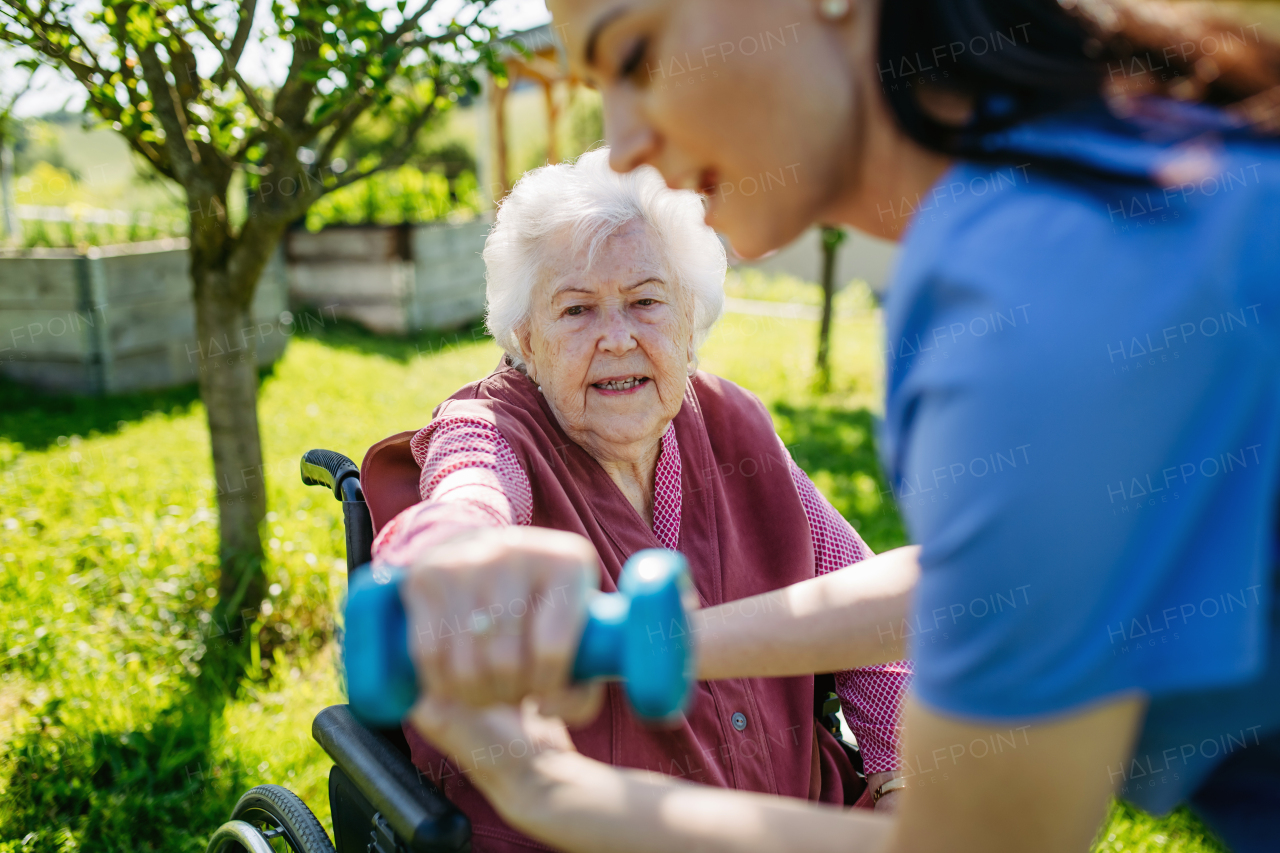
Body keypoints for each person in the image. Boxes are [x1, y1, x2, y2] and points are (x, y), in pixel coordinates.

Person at [402, 1, 1280, 852]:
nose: (624, 140)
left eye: (635, 57)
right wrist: (625, 631)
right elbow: (984, 581)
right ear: (523, 336)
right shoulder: (1105, 182)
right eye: (576, 310)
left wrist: (548, 788)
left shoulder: (1027, 291)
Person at [370, 148, 912, 852]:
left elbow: (862, 609)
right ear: (525, 336)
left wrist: (901, 781)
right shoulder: (490, 429)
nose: (618, 336)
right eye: (577, 309)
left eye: (646, 300)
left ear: (690, 318)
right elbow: (466, 497)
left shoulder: (731, 423)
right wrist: (451, 561)